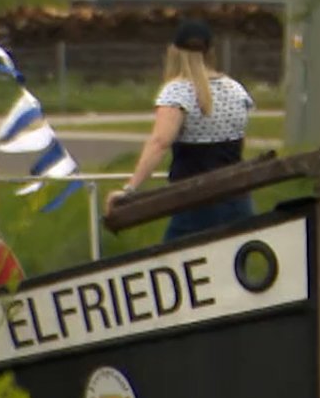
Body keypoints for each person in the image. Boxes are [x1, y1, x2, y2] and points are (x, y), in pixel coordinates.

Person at [106, 19, 256, 241]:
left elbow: (160, 142)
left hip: (194, 205)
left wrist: (130, 189)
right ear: (211, 52)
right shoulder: (236, 90)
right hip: (237, 201)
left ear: (173, 52)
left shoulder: (177, 92)